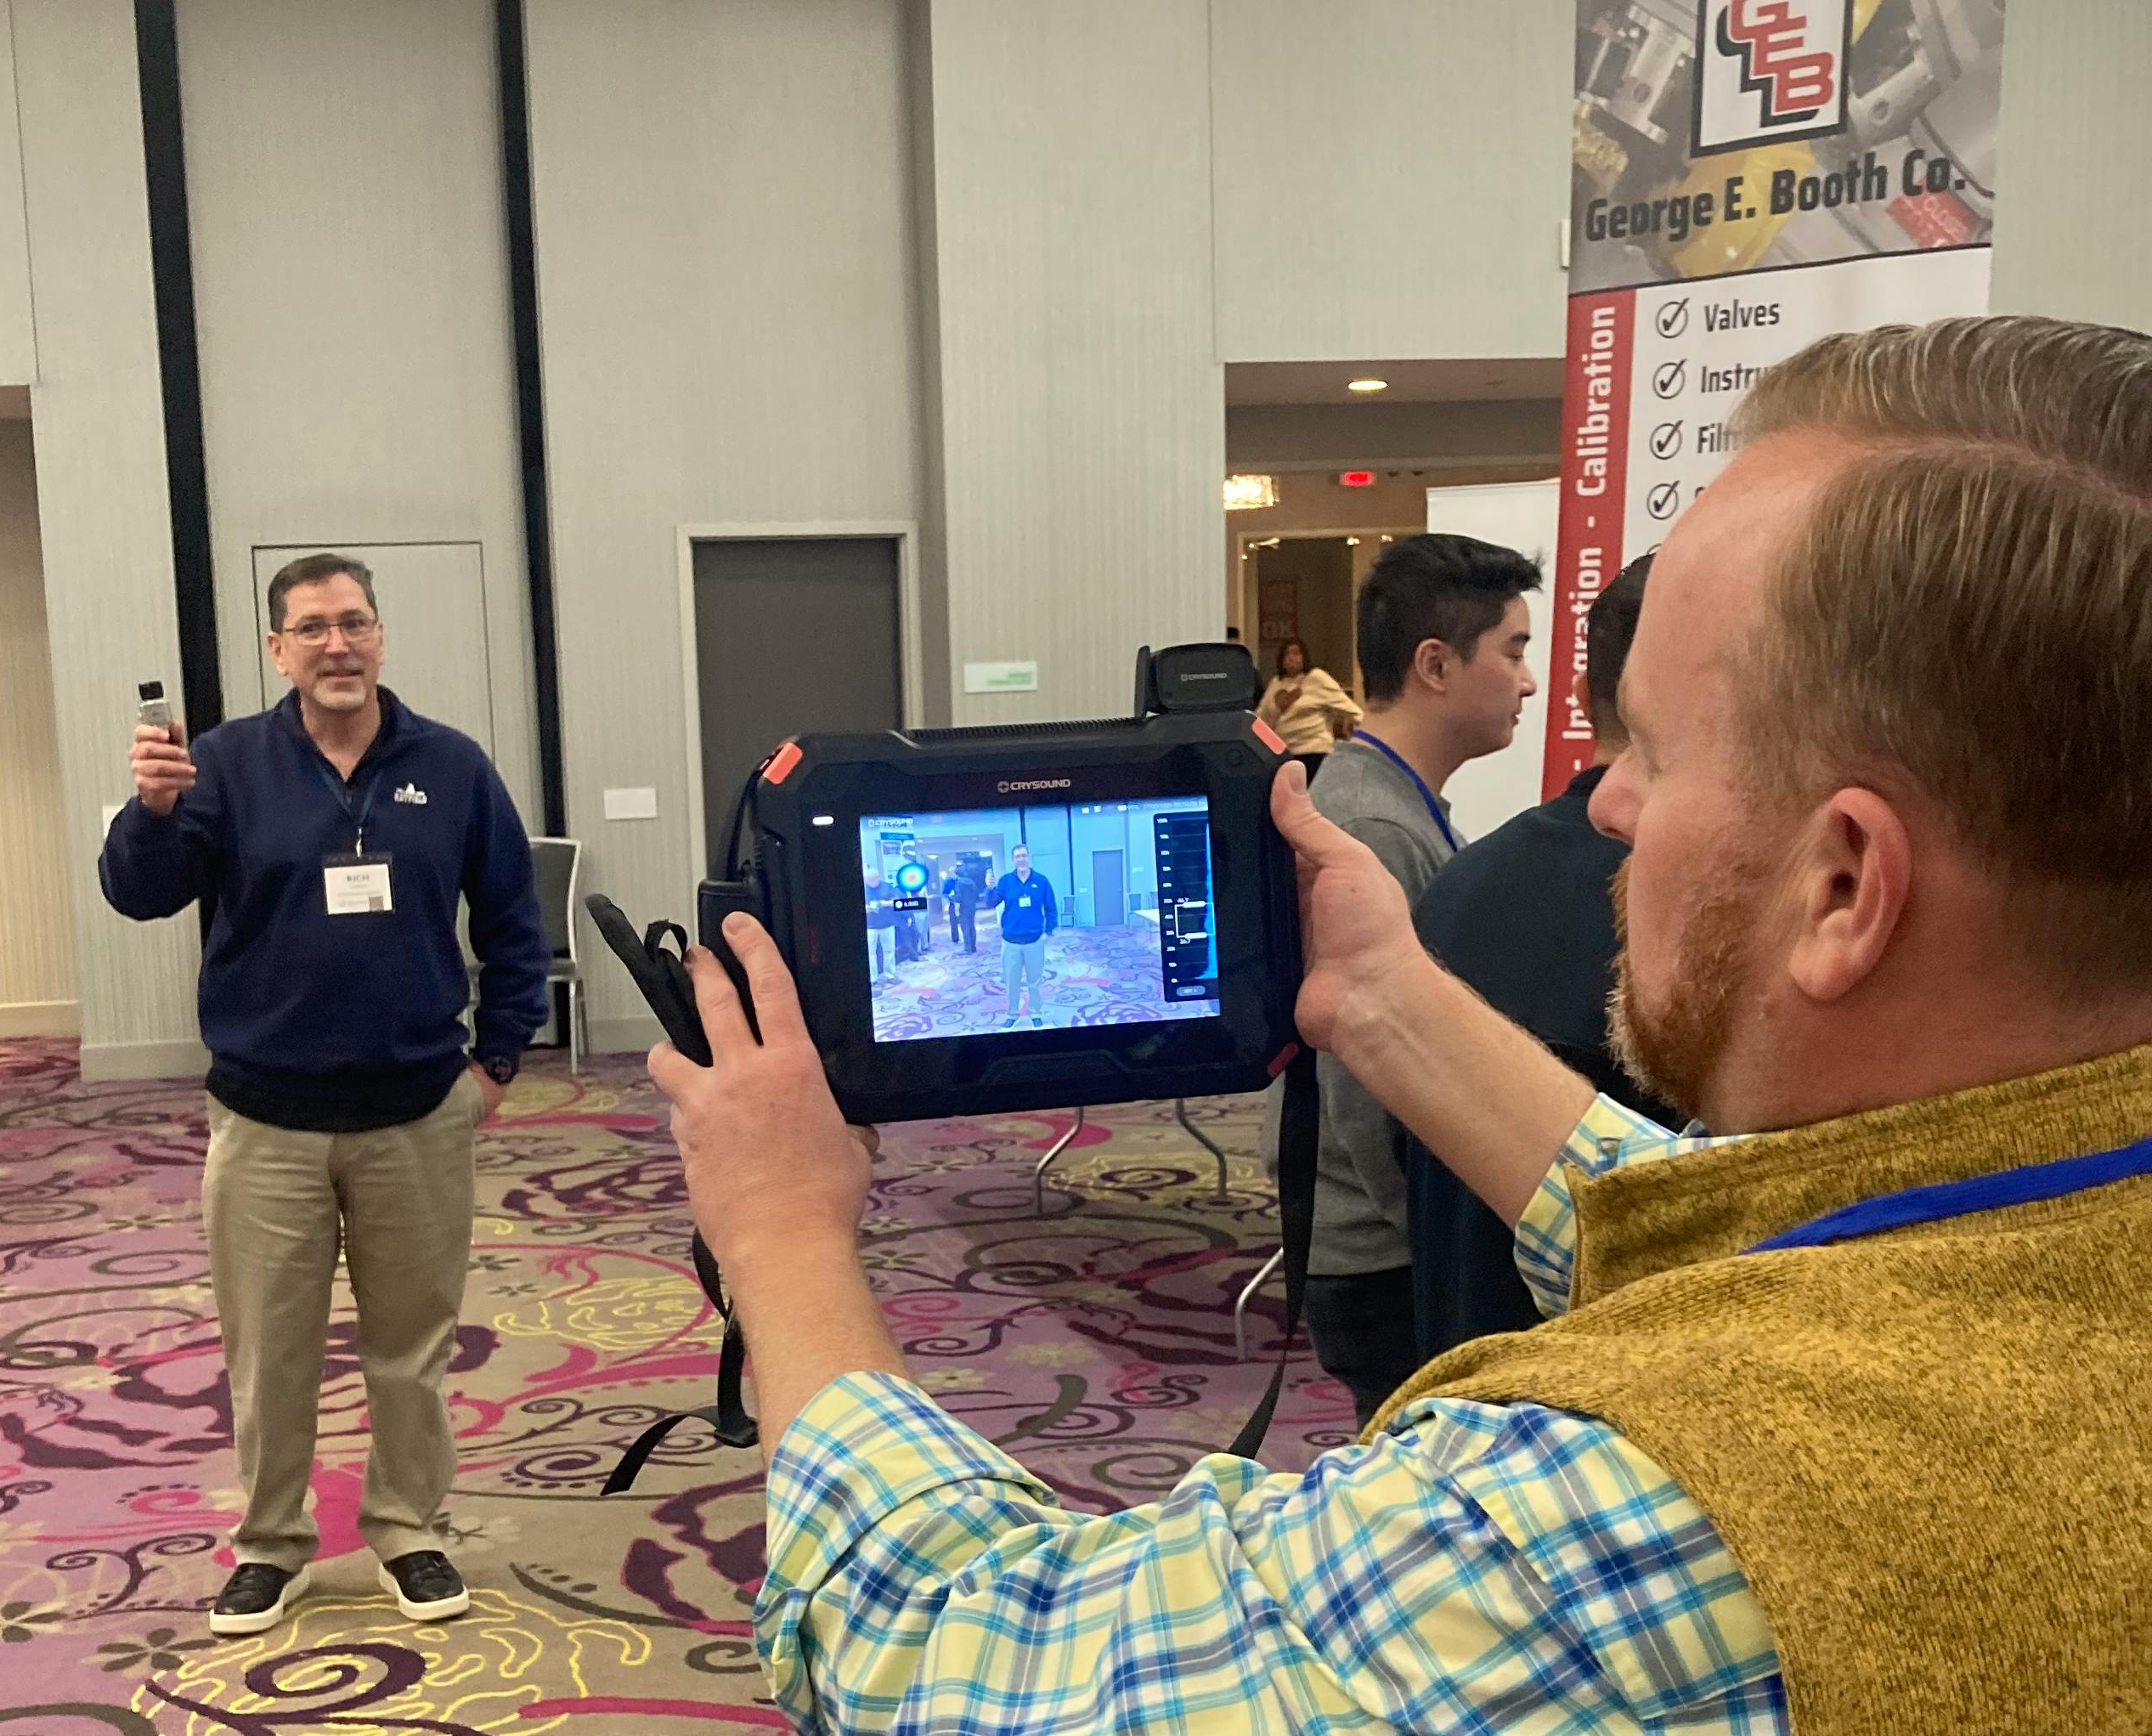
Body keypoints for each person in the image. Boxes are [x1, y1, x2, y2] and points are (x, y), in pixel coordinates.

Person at [645, 315, 2152, 1732]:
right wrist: (1380, 996)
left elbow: (945, 1650)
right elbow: (1766, 1251)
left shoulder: (1615, 1515)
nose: (1608, 800)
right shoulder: (2047, 1234)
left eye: (1656, 751)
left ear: (1840, 883)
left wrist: (777, 1227)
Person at [99, 551, 548, 1639]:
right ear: (278, 648)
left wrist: (494, 1064)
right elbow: (139, 895)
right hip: (265, 1118)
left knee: (411, 1346)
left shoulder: (452, 764)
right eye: (312, 628)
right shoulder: (222, 764)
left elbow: (512, 920)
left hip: (415, 1112)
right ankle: (272, 1546)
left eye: (354, 623)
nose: (336, 644)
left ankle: (405, 1528)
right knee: (271, 1350)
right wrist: (151, 815)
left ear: (381, 636)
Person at [1274, 532, 1538, 1426]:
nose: (1530, 683)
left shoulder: (1383, 807)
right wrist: (1439, 1243)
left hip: (1381, 1242)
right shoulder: (1374, 830)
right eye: (1514, 651)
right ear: (1435, 664)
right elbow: (1365, 1080)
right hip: (1384, 1256)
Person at [1404, 553, 1665, 1360]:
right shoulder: (1684, 926)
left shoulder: (1457, 883)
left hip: (1454, 1358)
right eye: (1513, 651)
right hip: (1609, 1388)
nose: (1525, 682)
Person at [1257, 636, 1362, 782]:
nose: (1291, 658)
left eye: (1296, 653)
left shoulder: (1317, 678)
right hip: (1285, 756)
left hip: (1315, 752)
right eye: (1287, 653)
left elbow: (1348, 708)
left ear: (1304, 657)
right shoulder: (1275, 683)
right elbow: (1261, 721)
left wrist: (1366, 735)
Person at [981, 843, 1056, 1027]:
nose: (1021, 859)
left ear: (1029, 858)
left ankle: (1035, 1012)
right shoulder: (1006, 881)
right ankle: (1012, 1014)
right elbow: (991, 903)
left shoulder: (1042, 881)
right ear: (1013, 860)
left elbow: (1051, 907)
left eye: (1024, 856)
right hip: (1010, 941)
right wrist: (989, 889)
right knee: (1011, 981)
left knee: (1035, 982)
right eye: (1017, 856)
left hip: (1035, 941)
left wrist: (1049, 931)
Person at [862, 865, 895, 978]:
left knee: (889, 951)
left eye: (873, 880)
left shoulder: (887, 887)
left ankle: (890, 975)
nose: (871, 883)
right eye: (868, 880)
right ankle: (873, 978)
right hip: (870, 926)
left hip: (887, 923)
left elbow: (896, 901)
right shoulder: (863, 888)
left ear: (878, 878)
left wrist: (883, 903)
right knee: (870, 953)